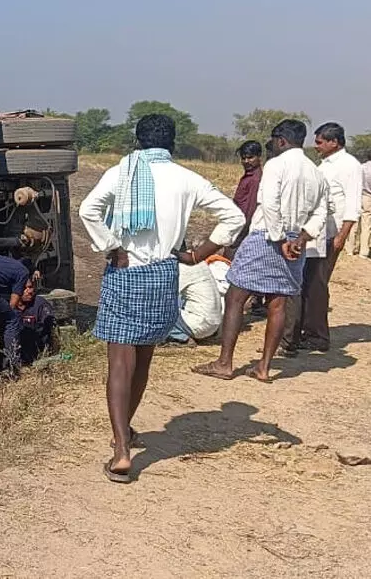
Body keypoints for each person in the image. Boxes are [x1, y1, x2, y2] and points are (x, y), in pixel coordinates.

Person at [79, 114, 244, 483]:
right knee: (143, 359)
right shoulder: (187, 178)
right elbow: (233, 217)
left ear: (138, 141)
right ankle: (125, 431)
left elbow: (87, 210)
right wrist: (200, 253)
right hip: (163, 272)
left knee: (119, 363)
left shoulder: (123, 172)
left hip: (126, 271)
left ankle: (122, 449)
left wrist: (112, 246)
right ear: (172, 142)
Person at [193, 119, 328, 383]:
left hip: (266, 236)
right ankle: (264, 367)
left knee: (235, 296)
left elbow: (269, 204)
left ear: (281, 141)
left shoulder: (276, 165)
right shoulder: (316, 172)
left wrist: (280, 240)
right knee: (278, 303)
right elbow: (321, 212)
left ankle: (224, 363)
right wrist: (300, 238)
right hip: (295, 241)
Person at [279, 122, 361, 355]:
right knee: (305, 283)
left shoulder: (349, 165)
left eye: (320, 142)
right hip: (313, 232)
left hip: (329, 234)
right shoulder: (324, 165)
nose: (316, 146)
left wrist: (342, 237)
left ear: (334, 142)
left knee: (316, 285)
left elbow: (353, 206)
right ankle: (303, 332)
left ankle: (317, 336)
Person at [166, 260, 224, 345]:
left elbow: (167, 294)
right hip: (213, 324)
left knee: (159, 309)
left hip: (200, 324)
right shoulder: (199, 263)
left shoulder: (183, 267)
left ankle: (181, 337)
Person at [229, 141, 264, 257]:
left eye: (250, 157)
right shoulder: (248, 176)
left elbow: (250, 210)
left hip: (243, 231)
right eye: (243, 158)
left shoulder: (255, 179)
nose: (246, 161)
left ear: (259, 157)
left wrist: (237, 238)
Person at [17, 285, 55, 365]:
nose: (29, 291)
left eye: (31, 287)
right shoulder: (7, 305)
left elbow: (47, 328)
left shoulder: (40, 304)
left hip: (36, 353)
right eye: (25, 288)